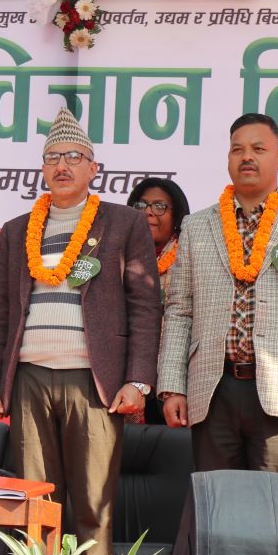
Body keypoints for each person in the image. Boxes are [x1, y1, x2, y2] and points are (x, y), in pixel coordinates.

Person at [0, 107, 160, 555]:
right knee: (36, 503)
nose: (62, 165)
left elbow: (145, 307)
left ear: (93, 168)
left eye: (73, 157)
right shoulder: (16, 230)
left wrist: (139, 379)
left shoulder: (124, 224)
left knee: (94, 507)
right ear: (42, 168)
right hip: (28, 379)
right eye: (52, 157)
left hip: (94, 381)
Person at [157, 114, 278, 474]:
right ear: (228, 159)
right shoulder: (197, 226)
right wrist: (172, 386)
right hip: (212, 389)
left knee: (277, 502)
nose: (247, 157)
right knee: (216, 500)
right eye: (237, 150)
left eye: (259, 149)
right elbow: (179, 312)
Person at [126, 177, 191, 425]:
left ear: (177, 217)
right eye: (141, 206)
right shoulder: (118, 258)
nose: (149, 212)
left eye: (160, 206)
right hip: (128, 375)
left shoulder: (190, 258)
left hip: (177, 379)